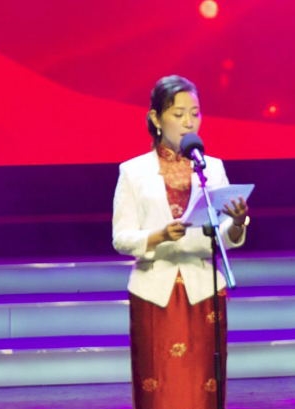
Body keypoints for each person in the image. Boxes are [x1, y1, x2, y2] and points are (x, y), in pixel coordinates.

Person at [112, 74, 249, 409]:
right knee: (159, 387)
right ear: (156, 119)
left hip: (203, 289)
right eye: (178, 113)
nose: (189, 121)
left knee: (203, 385)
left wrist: (237, 222)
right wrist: (159, 235)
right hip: (154, 292)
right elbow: (121, 237)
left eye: (195, 113)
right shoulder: (133, 171)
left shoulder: (212, 169)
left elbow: (225, 237)